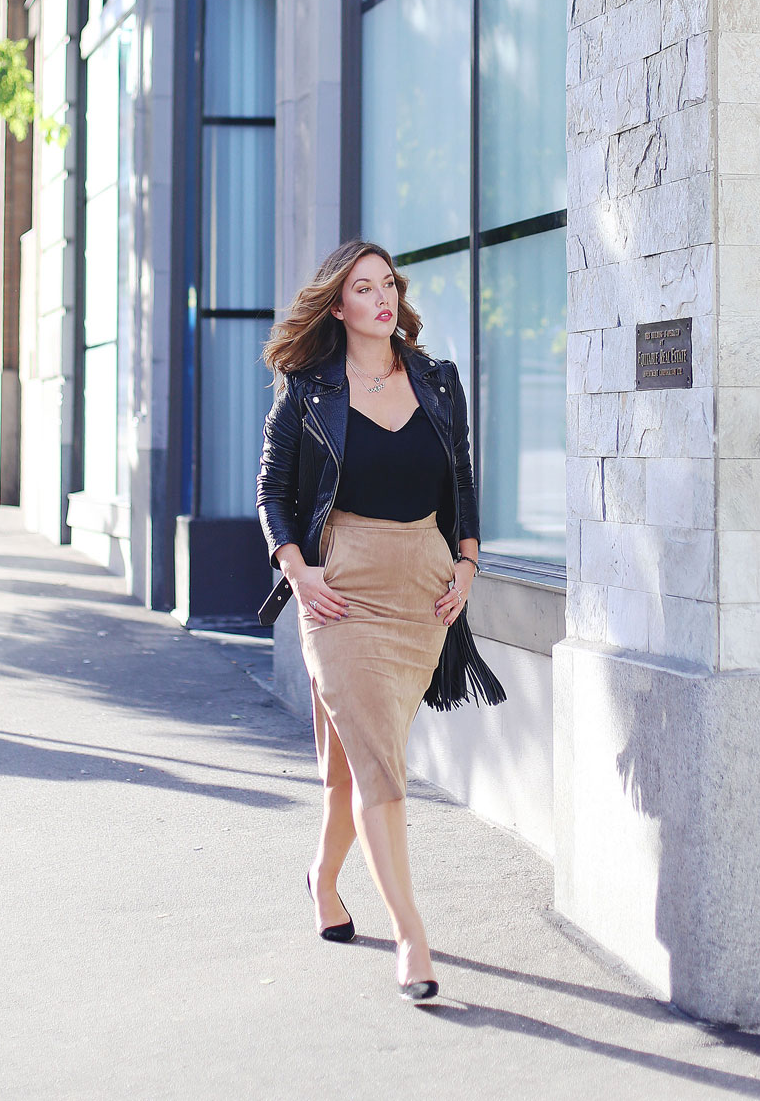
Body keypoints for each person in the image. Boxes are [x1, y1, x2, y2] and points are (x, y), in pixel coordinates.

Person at [256, 239, 480, 1004]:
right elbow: (272, 491)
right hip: (341, 592)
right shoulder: (306, 389)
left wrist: (469, 565)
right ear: (338, 303)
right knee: (382, 766)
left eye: (389, 284)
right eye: (364, 287)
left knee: (350, 772)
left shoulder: (437, 381)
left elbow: (462, 482)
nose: (382, 298)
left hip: (419, 589)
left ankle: (322, 877)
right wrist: (297, 569)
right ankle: (413, 938)